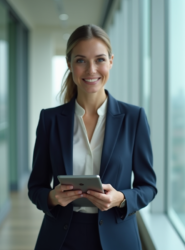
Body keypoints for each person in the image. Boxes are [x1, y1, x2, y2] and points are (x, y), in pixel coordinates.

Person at [28, 24, 157, 250]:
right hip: (60, 238)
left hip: (117, 238)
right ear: (69, 64)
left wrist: (121, 198)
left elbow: (148, 187)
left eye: (99, 60)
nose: (91, 70)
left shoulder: (134, 118)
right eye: (80, 61)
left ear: (110, 61)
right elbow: (35, 187)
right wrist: (53, 197)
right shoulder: (50, 120)